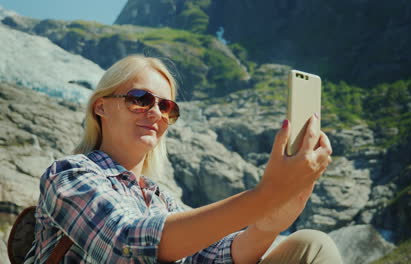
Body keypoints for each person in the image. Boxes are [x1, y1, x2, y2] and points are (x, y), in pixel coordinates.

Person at [25, 55, 343, 263]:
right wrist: (265, 196)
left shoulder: (162, 201)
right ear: (101, 107)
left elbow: (213, 256)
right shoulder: (69, 175)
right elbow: (126, 244)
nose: (156, 113)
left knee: (312, 245)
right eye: (140, 99)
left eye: (167, 107)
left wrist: (268, 223)